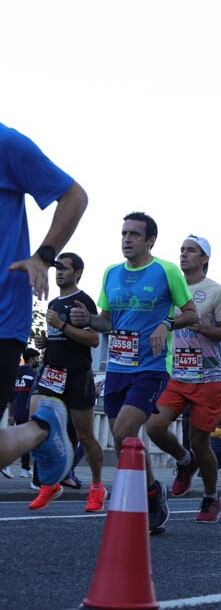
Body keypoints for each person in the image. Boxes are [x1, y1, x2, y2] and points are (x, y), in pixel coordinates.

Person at [70, 212, 197, 533]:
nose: (127, 239)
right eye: (124, 233)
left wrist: (165, 323)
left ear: (150, 240)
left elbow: (191, 315)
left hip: (152, 367)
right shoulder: (111, 273)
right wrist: (88, 320)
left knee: (125, 432)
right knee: (124, 438)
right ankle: (154, 492)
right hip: (117, 368)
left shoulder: (166, 271)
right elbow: (107, 323)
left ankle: (151, 494)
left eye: (134, 235)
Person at [1, 122, 86, 481]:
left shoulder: (6, 144)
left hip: (2, 318)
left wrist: (44, 256)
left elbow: (74, 196)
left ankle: (40, 430)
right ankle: (41, 429)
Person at [145, 235, 221, 524]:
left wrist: (204, 328)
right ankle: (185, 462)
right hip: (176, 374)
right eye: (182, 250)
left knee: (200, 442)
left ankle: (211, 497)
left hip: (208, 377)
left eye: (191, 251)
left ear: (204, 258)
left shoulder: (216, 291)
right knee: (154, 427)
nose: (183, 255)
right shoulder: (170, 291)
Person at [28, 252, 104, 512]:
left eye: (64, 268)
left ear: (78, 273)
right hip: (51, 372)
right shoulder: (53, 302)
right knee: (38, 421)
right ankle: (50, 484)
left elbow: (94, 339)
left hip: (77, 374)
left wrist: (61, 325)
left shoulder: (83, 301)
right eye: (56, 268)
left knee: (85, 434)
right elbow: (61, 337)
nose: (58, 273)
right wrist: (46, 342)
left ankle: (96, 487)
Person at [7, 348, 40, 480]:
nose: (38, 360)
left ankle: (25, 468)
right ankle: (9, 465)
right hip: (27, 410)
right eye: (37, 358)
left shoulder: (16, 373)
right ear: (31, 359)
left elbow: (11, 396)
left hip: (15, 409)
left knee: (23, 440)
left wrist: (10, 414)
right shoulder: (33, 375)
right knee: (26, 441)